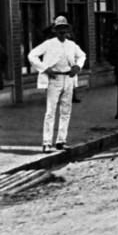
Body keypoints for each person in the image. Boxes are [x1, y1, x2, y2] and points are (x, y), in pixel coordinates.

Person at [28, 15, 86, 153]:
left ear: (68, 30)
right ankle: (47, 142)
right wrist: (44, 68)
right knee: (50, 111)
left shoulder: (71, 45)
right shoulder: (48, 44)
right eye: (59, 29)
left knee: (66, 111)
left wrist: (77, 66)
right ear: (54, 30)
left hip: (68, 78)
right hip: (54, 79)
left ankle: (61, 140)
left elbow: (82, 55)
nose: (62, 32)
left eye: (64, 29)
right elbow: (32, 55)